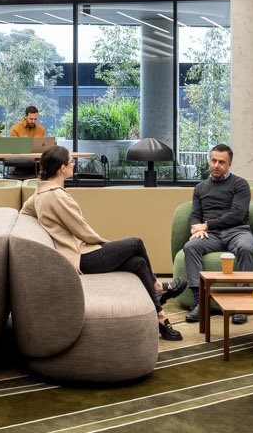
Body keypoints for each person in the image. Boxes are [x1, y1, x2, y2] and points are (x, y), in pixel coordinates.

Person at [21, 144, 182, 342]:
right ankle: (157, 286)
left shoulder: (40, 192)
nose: (74, 164)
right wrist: (106, 244)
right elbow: (82, 230)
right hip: (81, 258)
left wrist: (50, 228)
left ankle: (160, 317)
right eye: (72, 161)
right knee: (135, 243)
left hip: (77, 253)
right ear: (62, 168)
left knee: (138, 264)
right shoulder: (56, 196)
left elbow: (24, 213)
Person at [166, 143, 253, 325]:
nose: (216, 165)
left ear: (229, 165)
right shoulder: (200, 188)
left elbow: (237, 214)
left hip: (237, 231)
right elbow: (195, 214)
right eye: (213, 160)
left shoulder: (240, 184)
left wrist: (206, 225)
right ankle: (200, 303)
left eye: (221, 162)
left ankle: (241, 303)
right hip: (211, 235)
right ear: (209, 161)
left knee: (246, 247)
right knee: (191, 247)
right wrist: (194, 228)